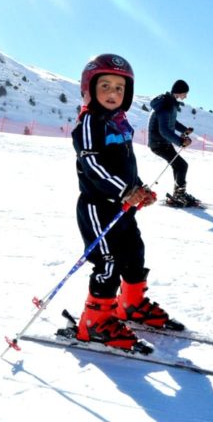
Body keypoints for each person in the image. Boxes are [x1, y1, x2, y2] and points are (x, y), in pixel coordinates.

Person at [71, 54, 184, 351]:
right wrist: (124, 190)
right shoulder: (90, 122)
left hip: (122, 207)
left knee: (134, 251)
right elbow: (92, 164)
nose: (113, 93)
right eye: (105, 86)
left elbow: (125, 165)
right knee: (108, 262)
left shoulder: (119, 124)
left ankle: (131, 304)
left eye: (119, 88)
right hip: (98, 207)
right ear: (89, 89)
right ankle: (95, 323)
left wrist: (138, 189)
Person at [147, 79, 199, 207]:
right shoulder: (166, 105)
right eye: (185, 93)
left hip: (163, 142)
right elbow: (164, 130)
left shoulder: (170, 103)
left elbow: (172, 122)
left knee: (179, 166)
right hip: (159, 144)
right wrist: (180, 141)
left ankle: (179, 194)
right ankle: (179, 195)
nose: (186, 96)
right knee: (181, 165)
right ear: (179, 92)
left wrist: (184, 130)